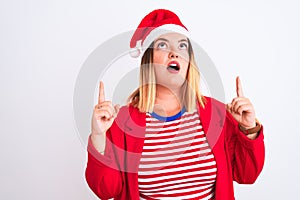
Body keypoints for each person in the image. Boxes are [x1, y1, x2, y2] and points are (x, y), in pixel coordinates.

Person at [85, 9, 265, 200]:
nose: (174, 53)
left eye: (182, 46)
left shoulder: (217, 113)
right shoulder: (122, 121)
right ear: (148, 61)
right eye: (162, 45)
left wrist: (248, 129)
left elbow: (247, 175)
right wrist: (98, 137)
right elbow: (106, 190)